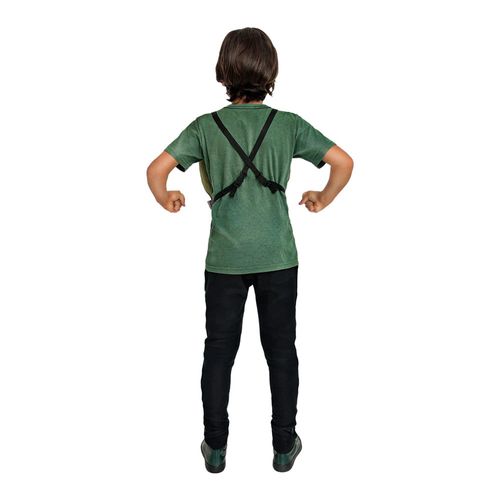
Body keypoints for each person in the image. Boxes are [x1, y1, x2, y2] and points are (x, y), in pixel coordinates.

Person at [146, 27, 353, 473]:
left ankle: (215, 446)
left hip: (224, 261)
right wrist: (322, 197)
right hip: (278, 257)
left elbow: (156, 170)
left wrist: (168, 198)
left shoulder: (205, 127)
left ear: (223, 73)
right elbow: (343, 162)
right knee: (281, 351)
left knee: (219, 350)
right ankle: (284, 446)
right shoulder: (288, 124)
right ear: (270, 72)